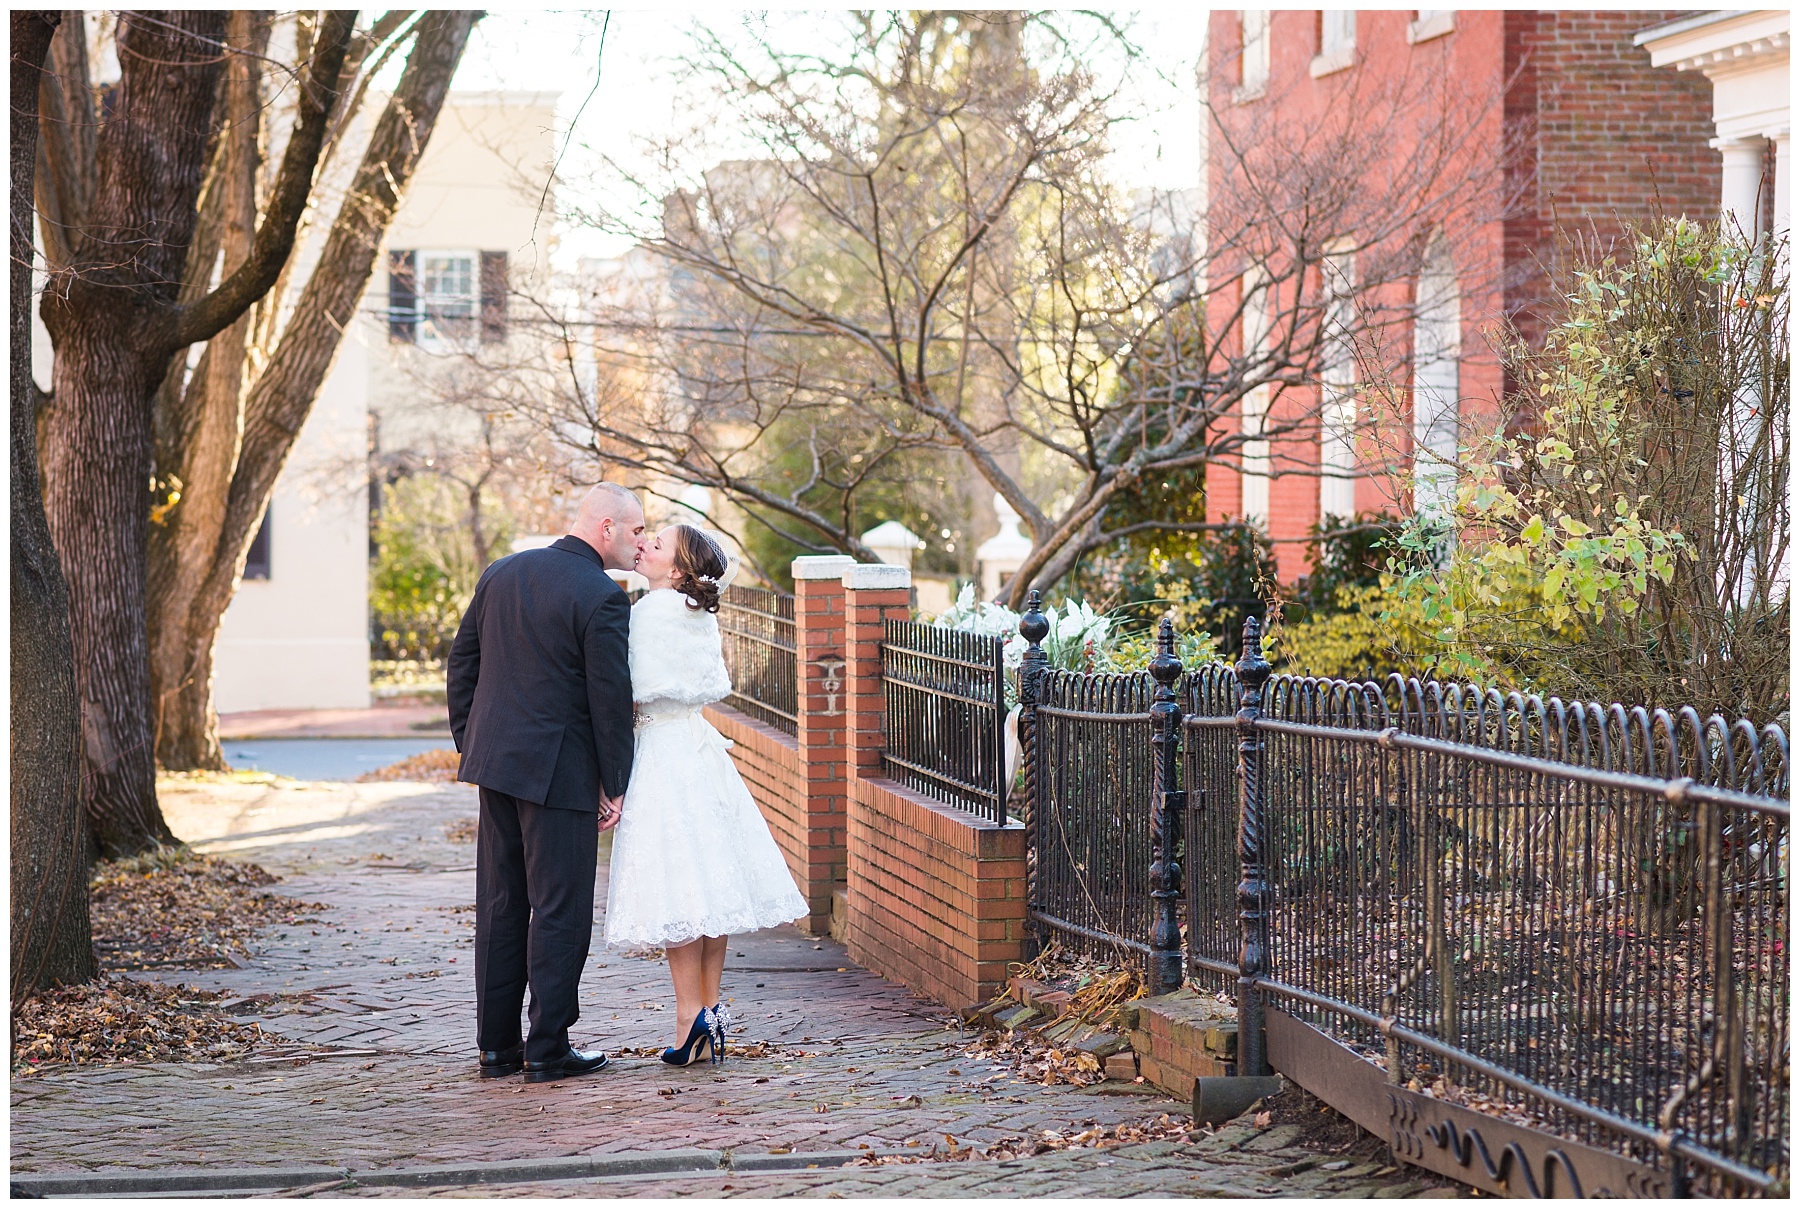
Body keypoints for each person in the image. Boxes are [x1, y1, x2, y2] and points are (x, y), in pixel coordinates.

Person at [447, 483, 645, 1083]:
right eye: (637, 530)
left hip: (496, 767)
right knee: (559, 909)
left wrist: (472, 741)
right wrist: (615, 782)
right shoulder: (601, 597)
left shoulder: (502, 573)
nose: (642, 540)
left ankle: (496, 1047)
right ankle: (548, 1048)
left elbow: (463, 663)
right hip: (560, 773)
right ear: (606, 527)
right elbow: (609, 701)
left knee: (503, 904)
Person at [604, 523, 809, 1066]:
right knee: (711, 888)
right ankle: (711, 1008)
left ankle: (685, 1017)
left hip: (665, 756)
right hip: (701, 751)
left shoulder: (647, 613)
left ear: (675, 570)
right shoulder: (696, 614)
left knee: (678, 888)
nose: (643, 543)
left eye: (657, 542)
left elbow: (626, 689)